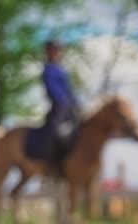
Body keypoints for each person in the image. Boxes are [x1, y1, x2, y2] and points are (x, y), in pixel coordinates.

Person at [41, 40, 82, 171]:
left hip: (70, 108)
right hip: (59, 108)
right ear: (48, 52)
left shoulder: (62, 70)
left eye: (58, 50)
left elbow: (69, 90)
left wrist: (77, 103)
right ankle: (52, 165)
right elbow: (53, 90)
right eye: (53, 50)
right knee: (55, 132)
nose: (57, 53)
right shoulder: (48, 70)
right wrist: (64, 102)